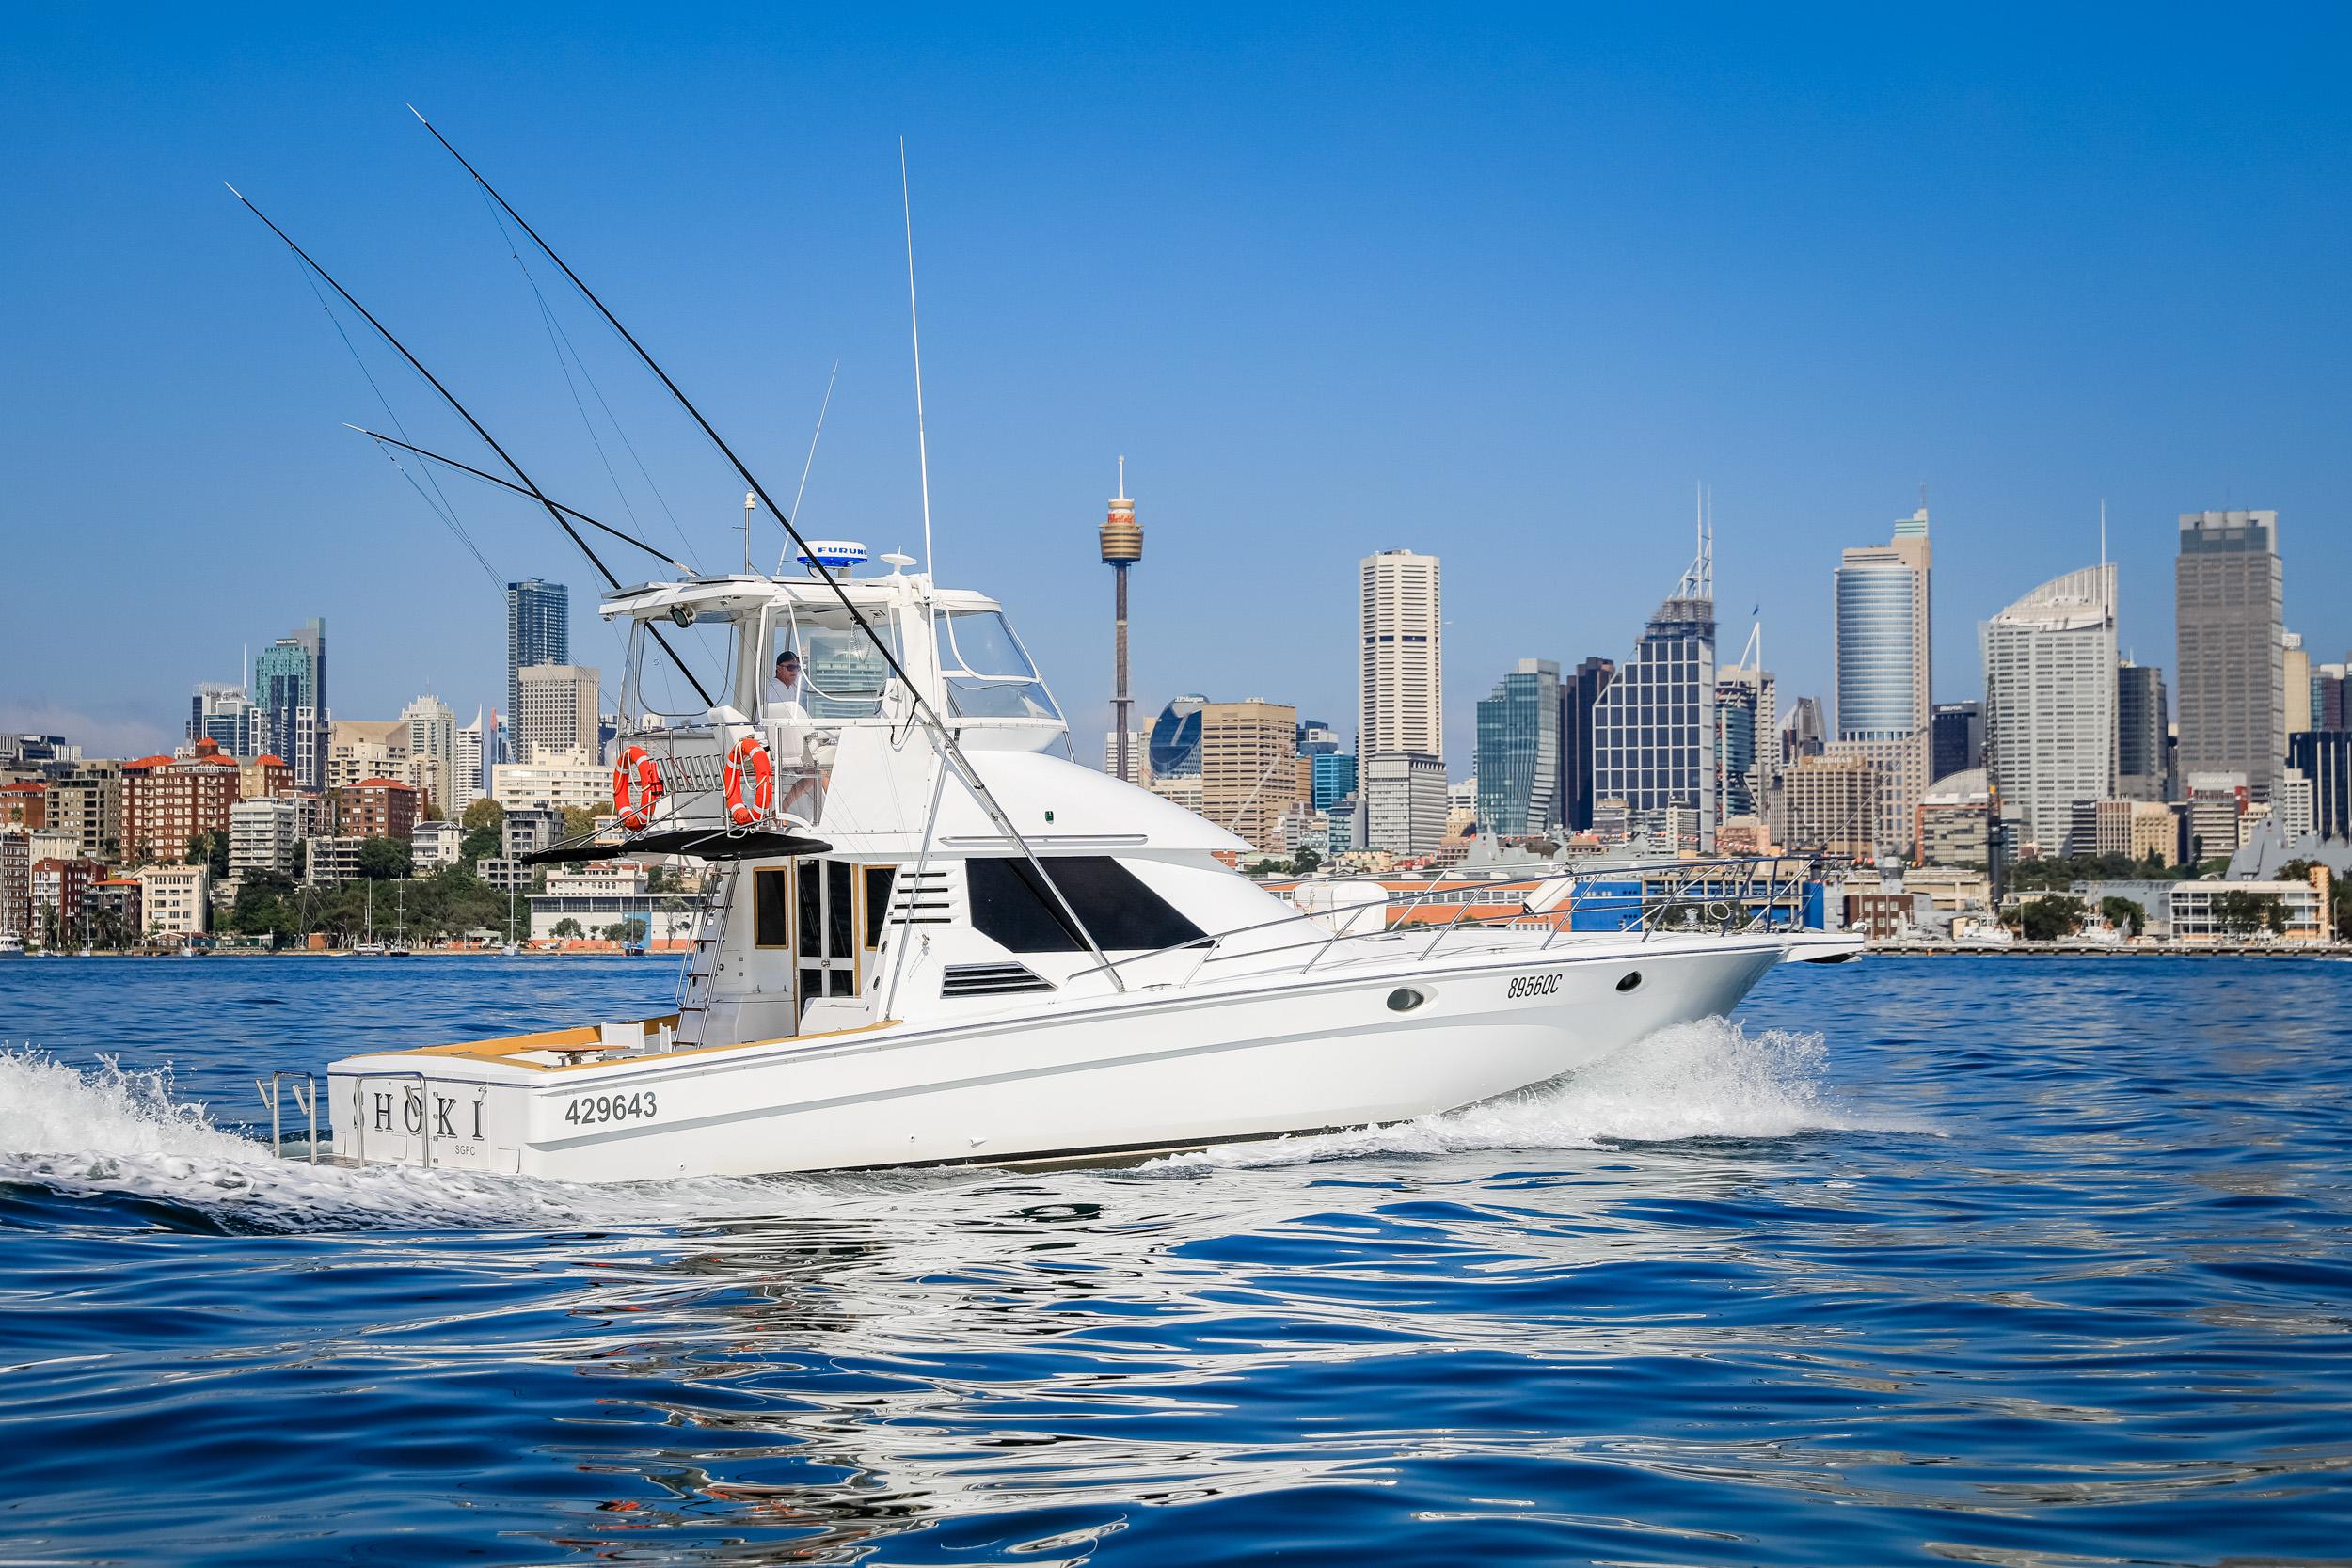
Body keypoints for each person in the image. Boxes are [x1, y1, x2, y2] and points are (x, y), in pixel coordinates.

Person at [765, 648, 804, 715]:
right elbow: (779, 717)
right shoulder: (776, 687)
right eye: (791, 667)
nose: (795, 671)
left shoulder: (790, 688)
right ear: (779, 668)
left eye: (797, 668)